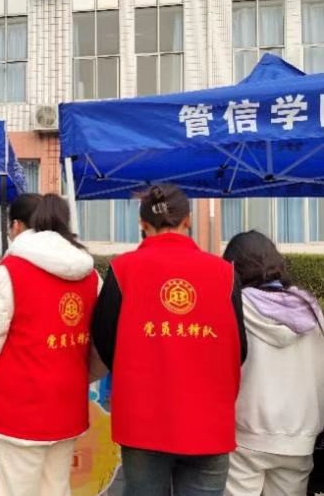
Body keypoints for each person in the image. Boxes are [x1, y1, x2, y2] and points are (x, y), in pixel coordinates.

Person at [91, 184, 248, 496]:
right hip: (209, 420)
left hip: (143, 419)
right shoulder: (224, 273)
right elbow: (239, 348)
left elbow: (105, 340)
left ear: (142, 224)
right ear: (187, 220)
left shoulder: (123, 270)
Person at [0, 193, 99, 496]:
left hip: (18, 405)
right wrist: (82, 375)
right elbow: (99, 344)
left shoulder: (9, 272)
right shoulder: (91, 275)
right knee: (56, 487)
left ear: (17, 226)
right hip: (68, 402)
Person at [222, 231, 324, 496]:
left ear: (233, 266)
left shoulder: (235, 307)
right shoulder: (310, 309)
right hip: (300, 439)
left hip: (245, 434)